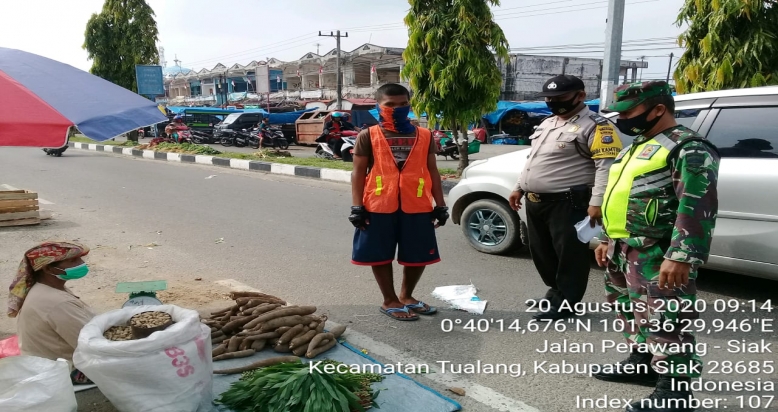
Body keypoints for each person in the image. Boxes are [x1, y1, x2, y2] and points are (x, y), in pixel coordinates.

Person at [593, 81, 719, 412]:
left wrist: (680, 256)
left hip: (657, 251)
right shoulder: (637, 145)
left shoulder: (687, 147)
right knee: (630, 310)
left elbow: (696, 204)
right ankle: (643, 362)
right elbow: (620, 195)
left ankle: (675, 392)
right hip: (623, 248)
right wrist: (608, 239)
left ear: (658, 109)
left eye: (629, 112)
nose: (622, 120)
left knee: (666, 319)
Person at [508, 74, 623, 320]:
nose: (552, 102)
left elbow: (606, 166)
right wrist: (519, 186)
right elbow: (533, 160)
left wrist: (597, 203)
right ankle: (555, 294)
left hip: (568, 203)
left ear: (580, 96)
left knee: (569, 256)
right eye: (549, 98)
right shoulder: (548, 123)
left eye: (559, 98)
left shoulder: (596, 126)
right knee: (541, 252)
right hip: (536, 201)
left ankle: (567, 302)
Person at [349, 83, 448, 321]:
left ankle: (407, 296)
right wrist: (356, 207)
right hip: (378, 205)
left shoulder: (424, 135)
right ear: (379, 106)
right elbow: (358, 172)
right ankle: (389, 300)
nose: (397, 109)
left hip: (417, 204)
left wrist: (441, 205)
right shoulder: (368, 135)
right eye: (390, 105)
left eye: (403, 104)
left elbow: (433, 171)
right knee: (379, 254)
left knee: (418, 254)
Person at [8, 241, 95, 385]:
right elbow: (92, 345)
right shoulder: (57, 302)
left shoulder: (47, 288)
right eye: (73, 260)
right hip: (62, 372)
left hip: (41, 363)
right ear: (48, 269)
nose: (81, 263)